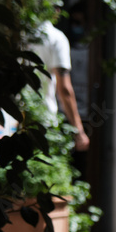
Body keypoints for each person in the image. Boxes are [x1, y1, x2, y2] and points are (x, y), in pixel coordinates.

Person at [30, 18, 89, 152]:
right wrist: (79, 131)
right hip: (41, 117)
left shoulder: (20, 32)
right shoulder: (56, 38)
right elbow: (64, 90)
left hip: (13, 113)